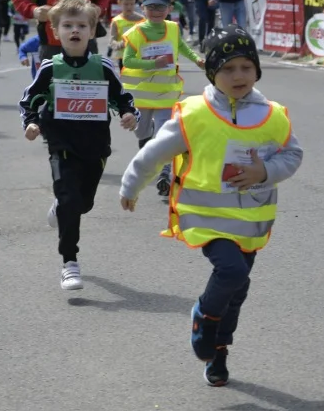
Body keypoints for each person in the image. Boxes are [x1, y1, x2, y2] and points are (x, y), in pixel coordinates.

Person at [119, 27, 303, 387]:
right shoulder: (194, 114)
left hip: (251, 219)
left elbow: (293, 155)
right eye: (228, 68)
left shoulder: (273, 115)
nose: (238, 76)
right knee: (231, 273)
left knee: (239, 289)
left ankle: (219, 353)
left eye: (246, 67)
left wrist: (265, 170)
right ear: (212, 72)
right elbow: (153, 153)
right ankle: (203, 315)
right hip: (206, 218)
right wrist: (131, 185)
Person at [18, 0, 139, 290]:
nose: (75, 31)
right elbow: (29, 100)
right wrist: (32, 122)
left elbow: (122, 98)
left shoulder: (103, 67)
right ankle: (69, 263)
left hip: (95, 145)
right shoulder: (50, 68)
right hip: (62, 143)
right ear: (56, 31)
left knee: (82, 203)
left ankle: (62, 206)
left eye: (81, 26)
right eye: (68, 25)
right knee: (71, 201)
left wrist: (128, 114)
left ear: (91, 30)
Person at [121, 0, 205, 198]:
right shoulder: (136, 32)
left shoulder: (173, 28)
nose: (156, 12)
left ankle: (164, 174)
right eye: (151, 7)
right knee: (142, 133)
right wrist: (152, 64)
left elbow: (182, 47)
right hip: (141, 95)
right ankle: (149, 156)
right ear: (143, 8)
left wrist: (196, 59)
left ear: (169, 7)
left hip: (166, 94)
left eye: (160, 7)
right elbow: (128, 60)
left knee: (163, 135)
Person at [108, 0, 144, 71]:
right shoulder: (116, 21)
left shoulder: (141, 19)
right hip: (123, 58)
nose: (129, 7)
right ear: (119, 3)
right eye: (126, 4)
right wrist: (121, 44)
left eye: (132, 4)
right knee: (126, 82)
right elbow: (112, 41)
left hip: (138, 56)